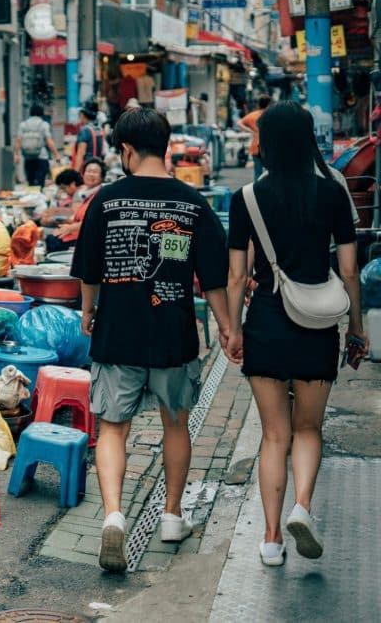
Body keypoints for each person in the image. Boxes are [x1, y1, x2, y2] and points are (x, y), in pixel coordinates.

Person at [70, 107, 231, 573]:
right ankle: (171, 517)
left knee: (113, 428)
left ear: (125, 150)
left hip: (117, 332)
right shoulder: (191, 203)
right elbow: (214, 279)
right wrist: (226, 328)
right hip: (173, 335)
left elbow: (88, 270)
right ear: (165, 147)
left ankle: (114, 517)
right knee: (176, 426)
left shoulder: (105, 200)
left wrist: (87, 311)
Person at [224, 101, 366, 567]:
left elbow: (235, 276)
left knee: (273, 436)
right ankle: (302, 506)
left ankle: (270, 539)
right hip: (317, 324)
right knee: (308, 429)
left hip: (265, 321)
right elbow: (349, 271)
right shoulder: (331, 194)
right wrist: (357, 330)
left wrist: (234, 330)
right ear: (309, 141)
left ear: (265, 143)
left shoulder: (245, 198)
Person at [45, 159, 106, 254]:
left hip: (89, 238)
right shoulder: (86, 194)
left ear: (102, 177)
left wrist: (70, 228)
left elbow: (94, 221)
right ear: (83, 174)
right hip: (79, 233)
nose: (91, 174)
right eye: (88, 171)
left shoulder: (102, 195)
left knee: (53, 241)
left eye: (95, 172)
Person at [15, 105, 61, 186]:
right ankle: (39, 196)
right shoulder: (44, 124)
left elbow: (18, 140)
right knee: (40, 182)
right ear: (41, 113)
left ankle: (32, 196)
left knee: (31, 182)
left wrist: (16, 154)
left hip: (28, 156)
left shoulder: (23, 124)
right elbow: (48, 141)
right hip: (41, 156)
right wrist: (56, 154)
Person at [240, 95, 272, 180]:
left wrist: (250, 130)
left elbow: (239, 123)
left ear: (259, 104)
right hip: (269, 147)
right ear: (268, 104)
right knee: (271, 172)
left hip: (256, 147)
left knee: (257, 173)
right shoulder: (271, 114)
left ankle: (257, 191)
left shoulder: (253, 115)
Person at [72, 101, 105, 172]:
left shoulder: (85, 130)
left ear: (83, 115)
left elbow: (81, 154)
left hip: (87, 169)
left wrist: (75, 174)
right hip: (98, 168)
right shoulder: (99, 129)